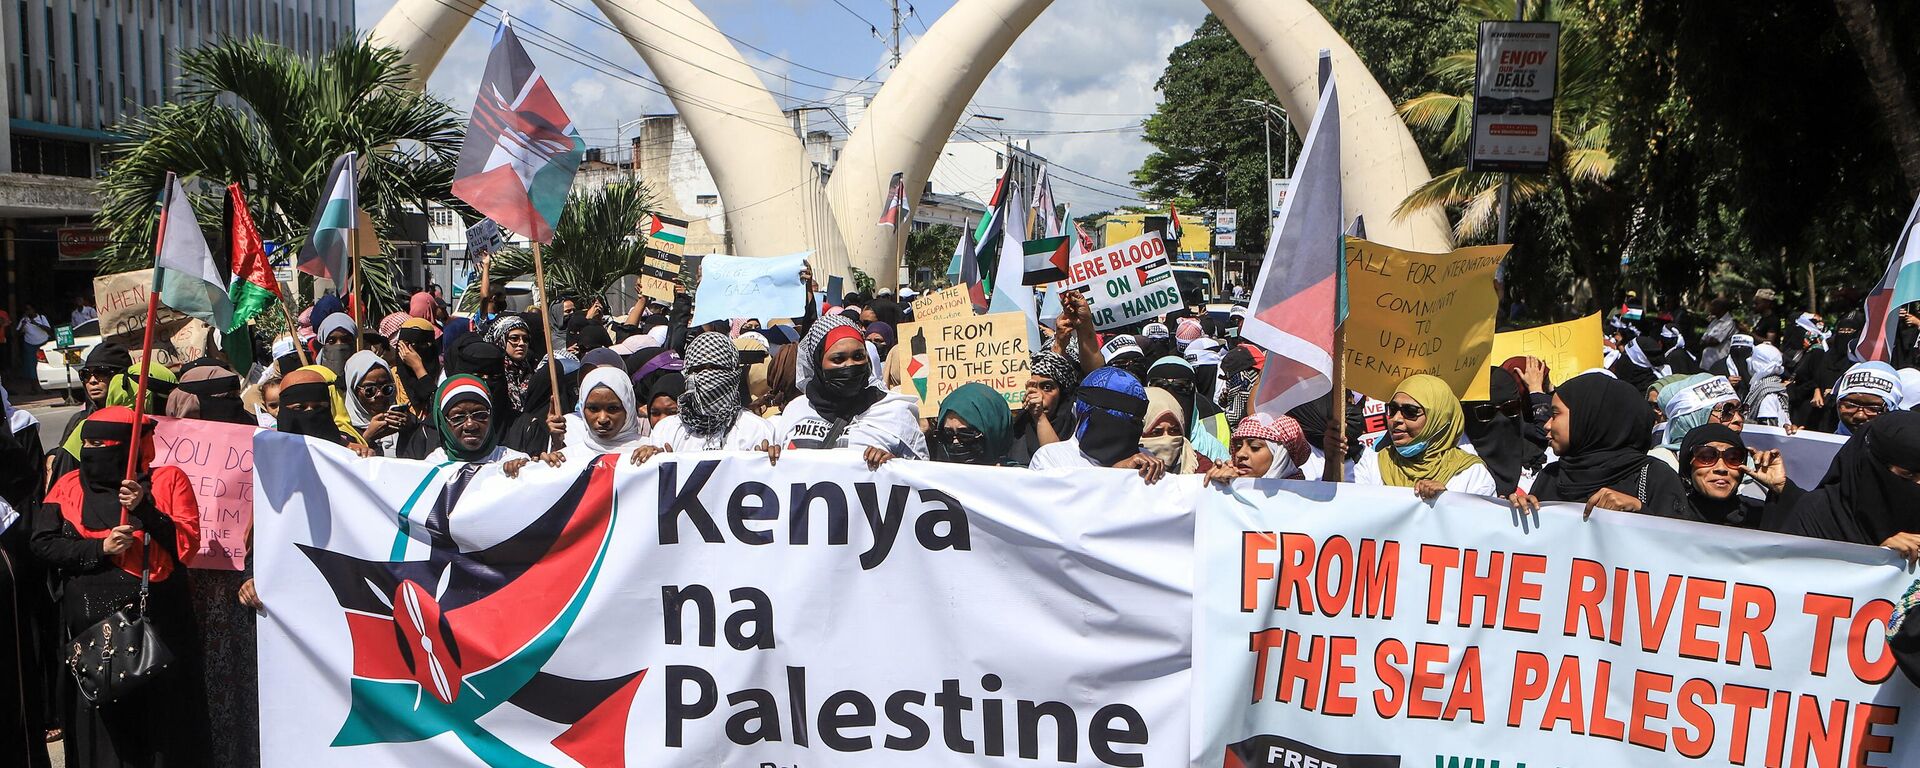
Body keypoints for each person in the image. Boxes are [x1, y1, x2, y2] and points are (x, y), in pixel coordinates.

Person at [30, 406, 210, 766]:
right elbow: (42, 543)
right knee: (104, 735)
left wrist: (146, 510)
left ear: (132, 448)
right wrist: (100, 548)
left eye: (105, 444)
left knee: (163, 730)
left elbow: (185, 547)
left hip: (157, 632)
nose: (94, 452)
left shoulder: (167, 481)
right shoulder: (68, 486)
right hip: (92, 638)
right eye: (89, 443)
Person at [1511, 372, 1687, 518]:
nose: (1547, 425)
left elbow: (1678, 550)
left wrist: (1639, 511)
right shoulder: (1551, 477)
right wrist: (1515, 512)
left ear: (1588, 418)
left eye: (1556, 414)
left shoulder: (1656, 478)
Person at [771, 316, 926, 466]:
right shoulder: (796, 410)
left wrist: (895, 467)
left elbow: (921, 479)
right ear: (818, 363)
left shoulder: (896, 413)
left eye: (858, 356)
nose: (850, 365)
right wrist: (767, 460)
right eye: (838, 359)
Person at [1780, 411, 1920, 552]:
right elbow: (1795, 568)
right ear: (1873, 467)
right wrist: (1880, 558)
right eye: (1909, 475)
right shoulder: (1820, 513)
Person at [1352, 374, 1496, 499]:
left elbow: (1480, 525)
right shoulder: (1373, 465)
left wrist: (1447, 502)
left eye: (1410, 411)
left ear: (1439, 420)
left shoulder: (1470, 474)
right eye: (1393, 409)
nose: (1396, 419)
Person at [635, 332, 775, 458]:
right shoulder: (666, 430)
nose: (706, 376)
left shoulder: (757, 429)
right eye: (698, 369)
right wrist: (654, 461)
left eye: (716, 368)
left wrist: (764, 464)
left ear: (734, 372)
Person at [1028, 367, 1166, 482]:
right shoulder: (1051, 459)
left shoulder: (1146, 461)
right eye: (1113, 418)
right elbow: (1063, 509)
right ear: (1084, 411)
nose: (1125, 428)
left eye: (1135, 420)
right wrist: (1118, 473)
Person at [1674, 423, 1796, 530]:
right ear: (1688, 466)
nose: (1721, 468)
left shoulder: (1760, 516)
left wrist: (1782, 488)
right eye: (1707, 457)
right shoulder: (1669, 516)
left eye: (1733, 459)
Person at [432, 376, 559, 476]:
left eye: (480, 415)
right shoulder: (431, 467)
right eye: (458, 418)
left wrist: (528, 473)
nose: (470, 425)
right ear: (442, 422)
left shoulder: (514, 460)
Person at [1462, 363, 1551, 496]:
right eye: (1485, 412)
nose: (1501, 419)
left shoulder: (1542, 462)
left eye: (1511, 408)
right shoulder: (1457, 470)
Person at [1650, 374, 1742, 470]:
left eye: (1741, 410)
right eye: (1726, 411)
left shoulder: (1750, 463)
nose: (1738, 419)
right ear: (1692, 418)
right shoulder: (1656, 465)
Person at [1007, 352, 1079, 466]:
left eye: (1047, 388)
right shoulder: (1016, 429)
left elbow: (1055, 465)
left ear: (1062, 393)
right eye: (1032, 388)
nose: (1038, 396)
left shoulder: (1076, 429)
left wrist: (1040, 417)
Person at [275, 365, 367, 453]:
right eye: (299, 407)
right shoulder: (267, 451)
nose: (310, 413)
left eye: (318, 407)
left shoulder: (349, 452)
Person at [924, 382, 1015, 466]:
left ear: (993, 432)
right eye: (947, 435)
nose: (955, 442)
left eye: (966, 435)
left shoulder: (1020, 480)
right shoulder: (937, 480)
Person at [343, 351, 413, 457]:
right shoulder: (345, 431)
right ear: (354, 391)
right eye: (369, 390)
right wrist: (366, 438)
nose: (379, 395)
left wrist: (410, 430)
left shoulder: (404, 419)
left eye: (386, 388)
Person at [1204, 413, 1307, 483]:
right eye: (1238, 447)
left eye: (1255, 447)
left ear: (1280, 455)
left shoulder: (1305, 499)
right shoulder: (1230, 484)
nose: (1240, 454)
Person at [1140, 387, 1202, 474]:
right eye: (1156, 432)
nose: (1167, 439)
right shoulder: (1125, 467)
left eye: (1174, 431)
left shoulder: (1200, 465)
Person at [1831, 360, 1903, 435]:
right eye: (1850, 405)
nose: (1860, 416)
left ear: (1892, 408)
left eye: (1873, 408)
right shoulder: (1824, 444)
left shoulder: (1906, 445)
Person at [165, 364, 252, 424]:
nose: (236, 403)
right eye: (228, 397)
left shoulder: (255, 429)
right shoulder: (158, 439)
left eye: (235, 396)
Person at [485, 315, 536, 411]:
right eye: (514, 338)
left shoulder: (530, 370)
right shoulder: (491, 373)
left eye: (525, 339)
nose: (521, 344)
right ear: (500, 339)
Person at [14, 305, 50, 382]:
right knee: (31, 365)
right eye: (26, 310)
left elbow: (48, 329)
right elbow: (17, 334)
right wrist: (22, 325)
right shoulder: (24, 320)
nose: (28, 311)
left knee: (44, 364)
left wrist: (36, 323)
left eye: (29, 309)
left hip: (42, 344)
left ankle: (45, 384)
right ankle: (34, 387)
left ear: (34, 310)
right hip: (30, 345)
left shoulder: (41, 317)